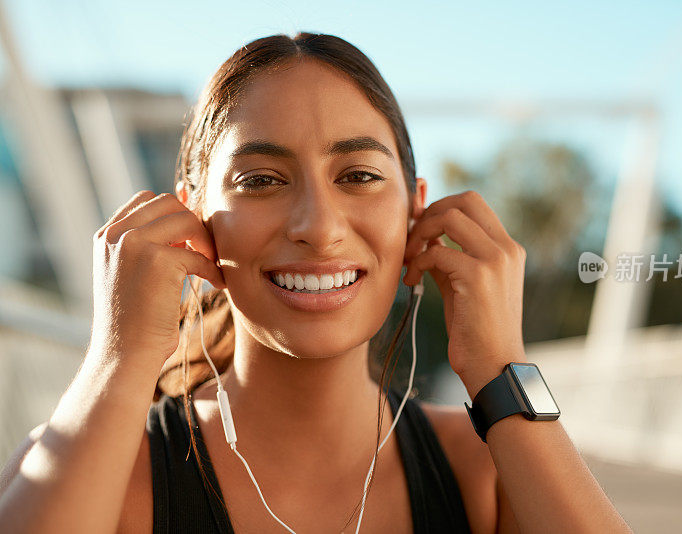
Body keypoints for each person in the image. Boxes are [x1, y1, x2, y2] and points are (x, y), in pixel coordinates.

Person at [0, 32, 632, 533]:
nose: (319, 227)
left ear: (415, 212)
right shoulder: (107, 474)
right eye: (261, 180)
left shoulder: (484, 472)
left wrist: (502, 370)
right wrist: (119, 358)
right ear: (193, 218)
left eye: (357, 175)